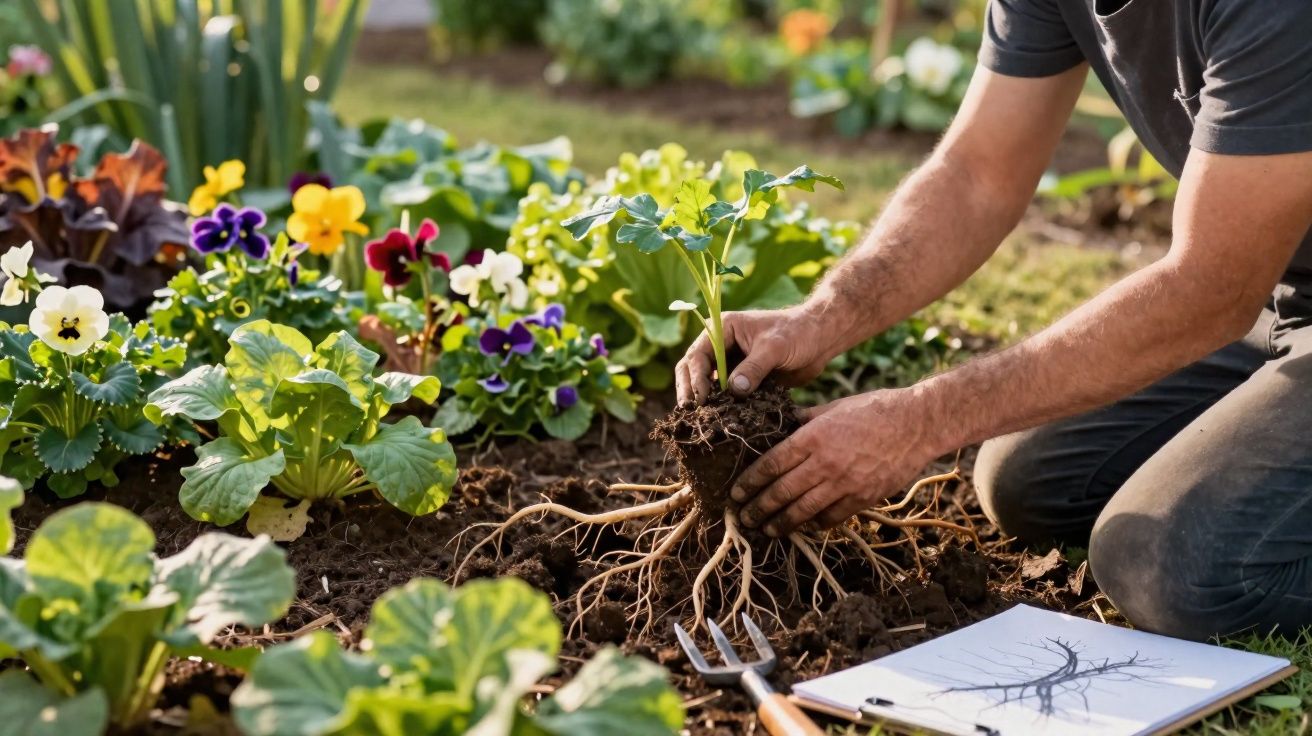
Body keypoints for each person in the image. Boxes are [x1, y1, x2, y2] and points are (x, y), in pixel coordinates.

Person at [675, 0, 1312, 642]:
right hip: (1275, 291)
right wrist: (821, 317)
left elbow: (1209, 288)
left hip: (1240, 287)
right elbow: (977, 173)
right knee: (1032, 482)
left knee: (1178, 571)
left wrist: (918, 420)